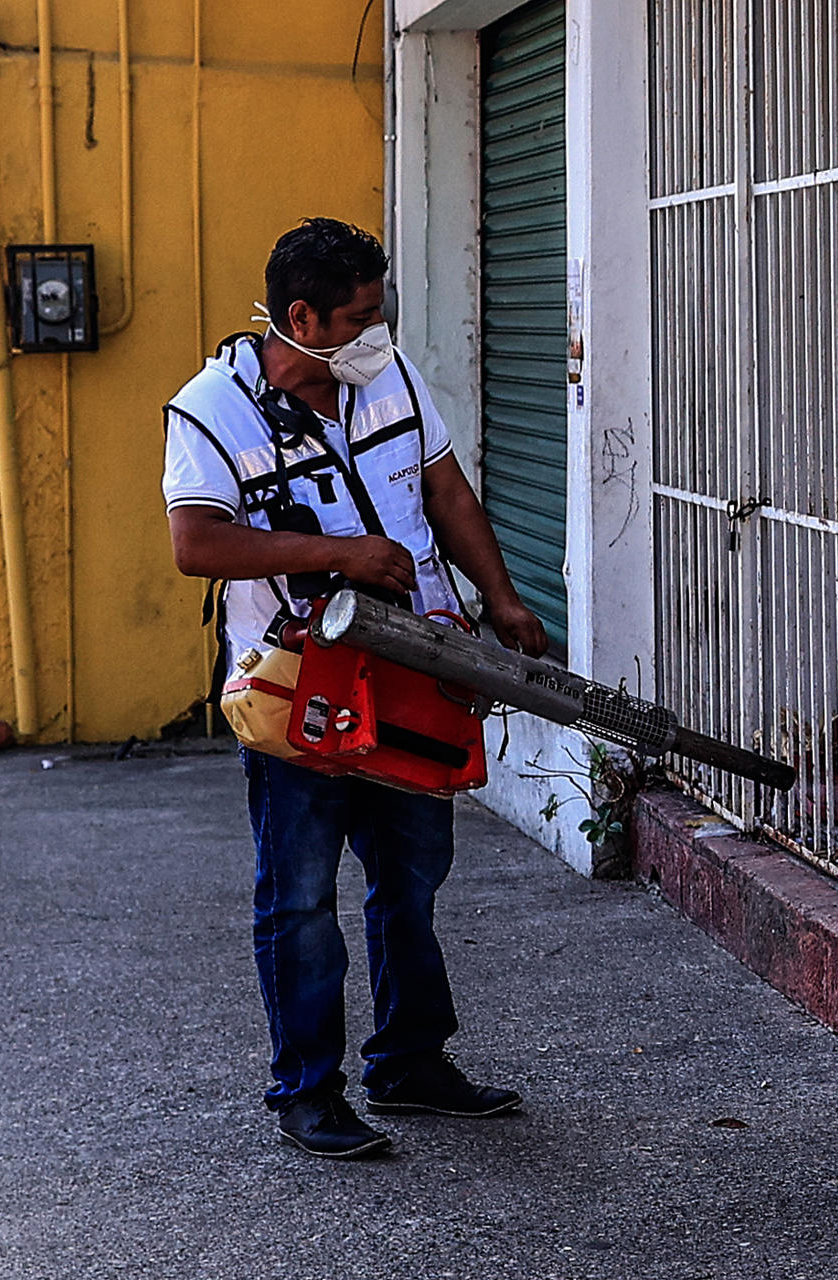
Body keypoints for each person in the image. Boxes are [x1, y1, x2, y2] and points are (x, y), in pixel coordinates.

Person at [163, 218, 549, 1159]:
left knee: (411, 882)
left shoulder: (388, 378)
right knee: (298, 897)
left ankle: (412, 1064)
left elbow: (447, 490)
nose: (379, 333)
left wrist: (501, 601)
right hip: (298, 694)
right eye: (361, 317)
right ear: (302, 319)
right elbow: (197, 543)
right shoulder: (212, 410)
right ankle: (306, 1093)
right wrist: (336, 553)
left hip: (414, 674)